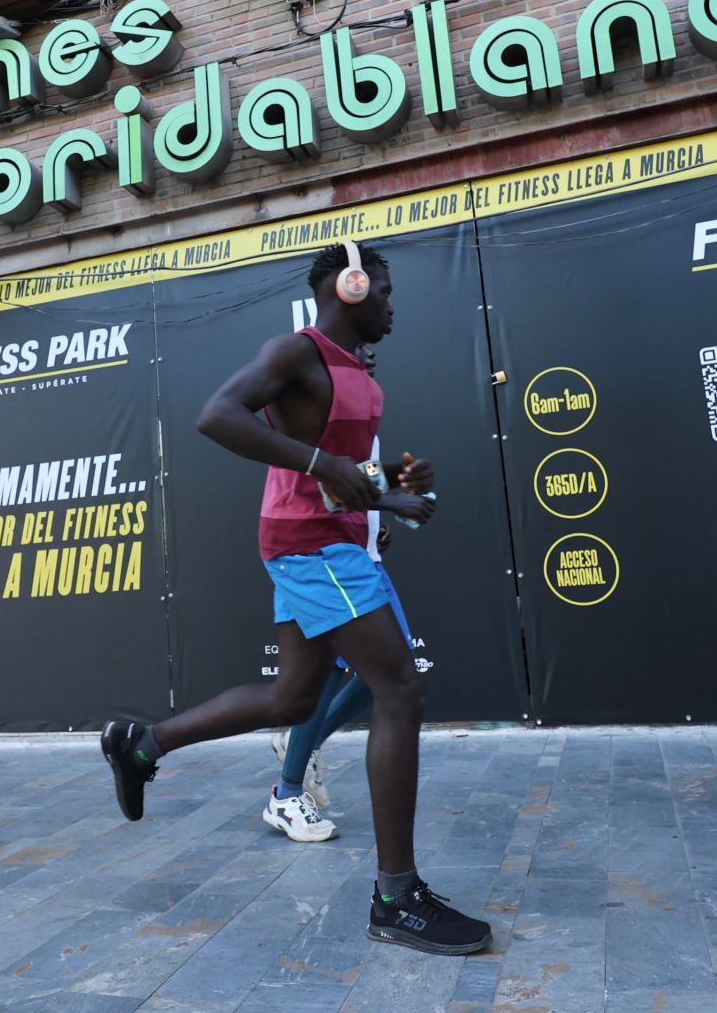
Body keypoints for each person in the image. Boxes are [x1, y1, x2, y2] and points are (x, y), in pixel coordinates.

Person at [100, 242, 491, 956]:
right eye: (384, 289)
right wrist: (324, 464)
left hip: (325, 536)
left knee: (292, 700)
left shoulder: (359, 374)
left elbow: (345, 468)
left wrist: (394, 491)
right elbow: (216, 415)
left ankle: (144, 742)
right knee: (399, 689)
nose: (392, 303)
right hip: (312, 543)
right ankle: (396, 897)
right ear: (349, 286)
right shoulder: (295, 352)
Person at [262, 342, 425, 843]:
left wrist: (377, 517)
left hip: (346, 549)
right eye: (353, 345)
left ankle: (295, 764)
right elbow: (319, 478)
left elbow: (353, 478)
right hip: (319, 554)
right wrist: (388, 506)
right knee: (391, 676)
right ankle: (290, 784)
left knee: (325, 680)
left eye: (370, 347)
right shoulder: (310, 401)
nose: (367, 352)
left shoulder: (361, 401)